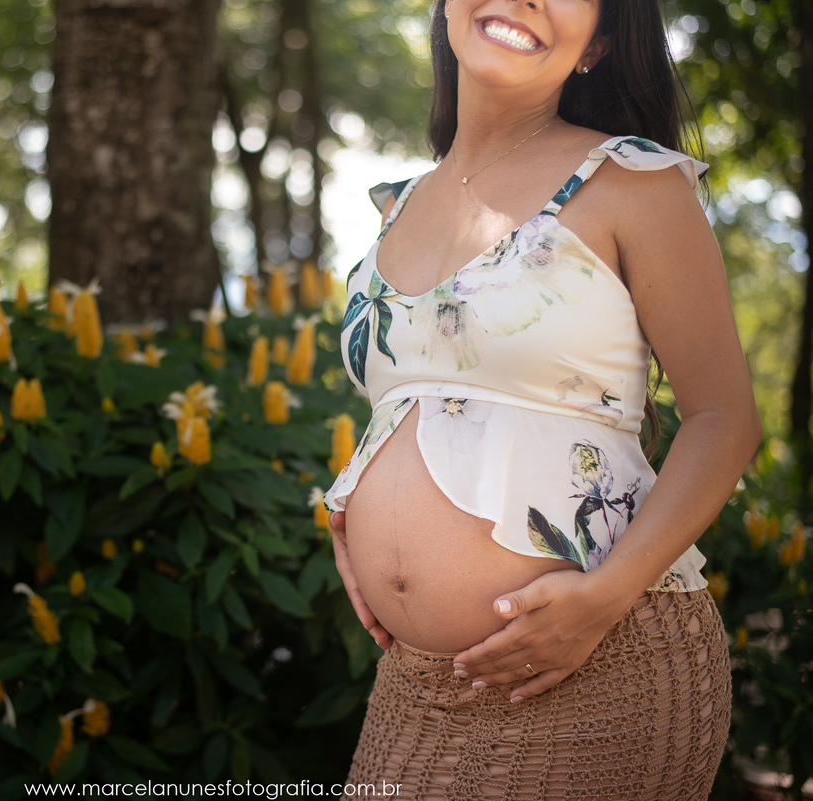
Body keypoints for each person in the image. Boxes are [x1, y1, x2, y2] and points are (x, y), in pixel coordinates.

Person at [319, 0, 761, 797]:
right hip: (419, 681)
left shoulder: (632, 181)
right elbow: (415, 402)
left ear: (596, 44)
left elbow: (724, 419)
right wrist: (355, 511)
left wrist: (600, 600)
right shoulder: (398, 205)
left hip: (599, 660)